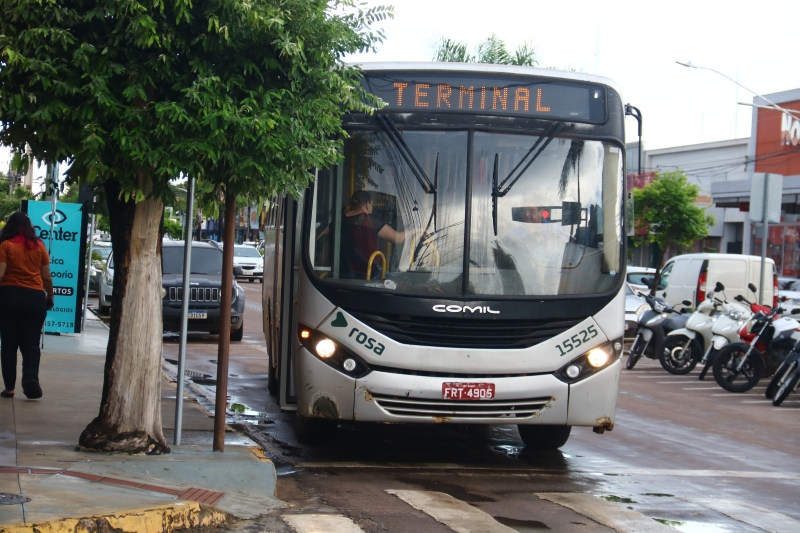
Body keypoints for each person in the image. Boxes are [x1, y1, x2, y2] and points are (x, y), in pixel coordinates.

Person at [0, 212, 54, 399]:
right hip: (34, 298)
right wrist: (51, 296)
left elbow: (0, 274)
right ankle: (30, 377)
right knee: (31, 344)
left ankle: (9, 388)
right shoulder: (39, 246)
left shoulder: (5, 245)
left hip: (8, 297)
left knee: (8, 345)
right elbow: (46, 276)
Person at [341, 191, 407, 278]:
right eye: (372, 204)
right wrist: (417, 230)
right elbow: (398, 238)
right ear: (367, 205)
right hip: (370, 272)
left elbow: (323, 236)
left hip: (346, 272)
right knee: (397, 280)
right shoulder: (368, 220)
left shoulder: (340, 219)